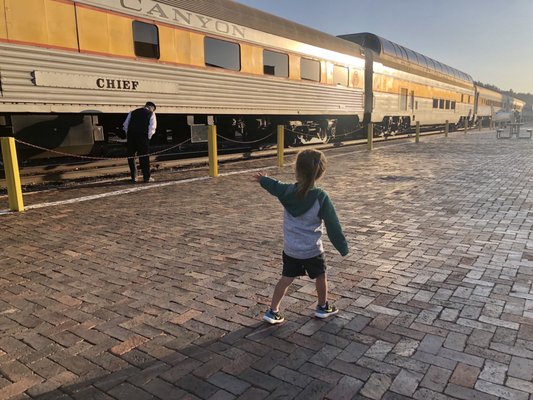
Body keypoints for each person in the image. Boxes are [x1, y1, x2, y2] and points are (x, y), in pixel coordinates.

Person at [253, 149, 349, 324]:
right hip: (312, 250)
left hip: (291, 249)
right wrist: (342, 247)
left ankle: (273, 311)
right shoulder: (321, 197)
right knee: (321, 276)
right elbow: (333, 225)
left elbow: (275, 186)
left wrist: (263, 180)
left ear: (296, 170)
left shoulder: (288, 191)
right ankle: (322, 307)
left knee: (286, 278)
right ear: (320, 173)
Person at [123, 101, 157, 183]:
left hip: (131, 137)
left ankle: (134, 177)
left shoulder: (132, 112)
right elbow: (152, 128)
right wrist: (147, 138)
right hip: (143, 137)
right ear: (152, 108)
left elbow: (125, 125)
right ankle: (146, 177)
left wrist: (129, 135)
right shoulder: (151, 114)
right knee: (144, 157)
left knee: (131, 157)